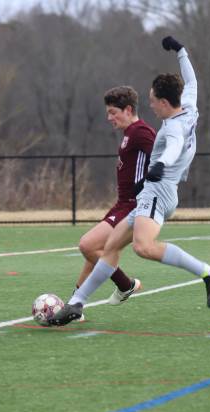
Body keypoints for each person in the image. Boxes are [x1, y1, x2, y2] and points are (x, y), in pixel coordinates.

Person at [49, 36, 210, 326]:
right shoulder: (189, 107)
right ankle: (76, 304)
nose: (151, 105)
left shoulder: (172, 129)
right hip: (152, 193)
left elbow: (172, 147)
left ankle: (209, 272)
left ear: (166, 103)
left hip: (160, 192)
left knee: (143, 247)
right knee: (109, 248)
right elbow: (192, 81)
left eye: (154, 101)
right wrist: (181, 51)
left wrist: (159, 166)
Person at [74, 85, 156, 317]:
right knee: (95, 251)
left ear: (128, 109)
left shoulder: (141, 132)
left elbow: (162, 155)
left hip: (134, 206)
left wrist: (152, 184)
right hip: (122, 204)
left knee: (87, 245)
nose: (109, 118)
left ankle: (125, 284)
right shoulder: (129, 134)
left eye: (113, 112)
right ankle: (75, 305)